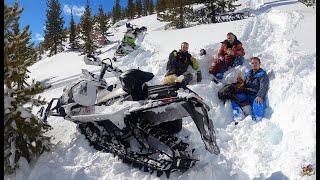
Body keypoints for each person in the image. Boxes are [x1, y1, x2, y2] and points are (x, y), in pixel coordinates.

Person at [230, 57, 269, 124]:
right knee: (234, 98)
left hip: (255, 95)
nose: (254, 64)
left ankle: (256, 120)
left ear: (259, 64)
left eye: (256, 63)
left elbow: (264, 87)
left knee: (258, 102)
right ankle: (239, 117)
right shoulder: (248, 74)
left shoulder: (262, 74)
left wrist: (259, 95)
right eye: (252, 63)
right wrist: (239, 80)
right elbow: (245, 84)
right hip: (246, 94)